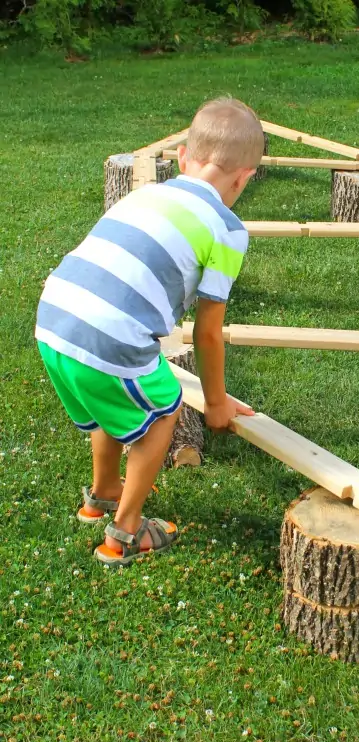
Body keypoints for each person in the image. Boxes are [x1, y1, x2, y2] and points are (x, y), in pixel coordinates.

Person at [35, 97, 264, 566]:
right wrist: (216, 403)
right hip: (110, 335)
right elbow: (207, 332)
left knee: (110, 407)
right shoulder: (227, 229)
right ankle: (125, 531)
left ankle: (100, 494)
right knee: (163, 411)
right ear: (244, 178)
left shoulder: (143, 194)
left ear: (182, 158)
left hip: (54, 320)